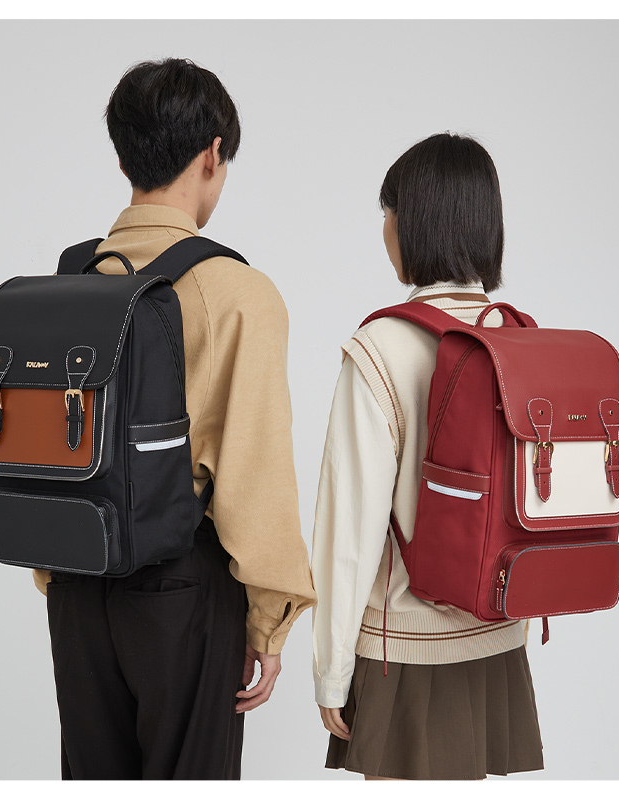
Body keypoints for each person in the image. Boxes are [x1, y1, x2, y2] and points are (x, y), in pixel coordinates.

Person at [32, 57, 316, 780]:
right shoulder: (237, 292)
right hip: (181, 587)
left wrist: (57, 571)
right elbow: (255, 476)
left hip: (76, 578)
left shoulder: (70, 279)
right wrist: (269, 622)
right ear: (213, 153)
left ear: (123, 155)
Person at [311, 133, 544, 781]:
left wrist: (332, 670)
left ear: (412, 222)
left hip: (404, 650)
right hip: (499, 634)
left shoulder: (381, 345)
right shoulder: (517, 336)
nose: (383, 230)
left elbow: (349, 528)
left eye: (386, 212)